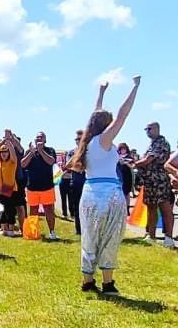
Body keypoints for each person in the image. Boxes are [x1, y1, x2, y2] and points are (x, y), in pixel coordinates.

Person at [68, 77, 140, 293]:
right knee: (110, 236)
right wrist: (135, 87)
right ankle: (108, 282)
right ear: (105, 125)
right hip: (108, 193)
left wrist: (101, 92)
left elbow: (96, 113)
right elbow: (123, 115)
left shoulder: (87, 143)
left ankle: (87, 280)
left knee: (89, 237)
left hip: (90, 193)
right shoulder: (104, 140)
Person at [134, 121, 175, 247]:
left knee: (165, 208)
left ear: (157, 129)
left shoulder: (161, 142)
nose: (147, 131)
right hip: (150, 182)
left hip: (160, 181)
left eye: (150, 129)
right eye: (146, 129)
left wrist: (134, 163)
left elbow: (148, 160)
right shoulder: (152, 144)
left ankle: (168, 237)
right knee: (151, 208)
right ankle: (151, 235)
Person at [21, 132, 59, 240]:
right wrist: (31, 153)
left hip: (47, 186)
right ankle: (33, 233)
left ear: (45, 140)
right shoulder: (30, 151)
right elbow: (23, 164)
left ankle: (52, 232)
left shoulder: (50, 150)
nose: (39, 139)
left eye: (41, 137)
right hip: (32, 187)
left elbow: (51, 161)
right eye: (37, 137)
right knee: (33, 211)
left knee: (49, 210)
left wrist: (41, 151)